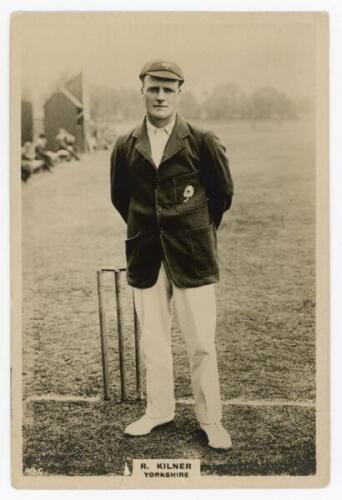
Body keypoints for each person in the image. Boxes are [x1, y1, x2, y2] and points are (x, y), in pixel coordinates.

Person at [110, 60, 234, 449]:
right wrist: (150, 230)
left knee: (201, 342)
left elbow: (223, 195)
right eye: (153, 88)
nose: (160, 95)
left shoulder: (201, 139)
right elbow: (121, 198)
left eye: (168, 89)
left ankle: (211, 420)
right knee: (153, 339)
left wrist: (193, 232)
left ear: (179, 92)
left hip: (191, 255)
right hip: (146, 254)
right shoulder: (125, 144)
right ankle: (159, 410)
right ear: (142, 91)